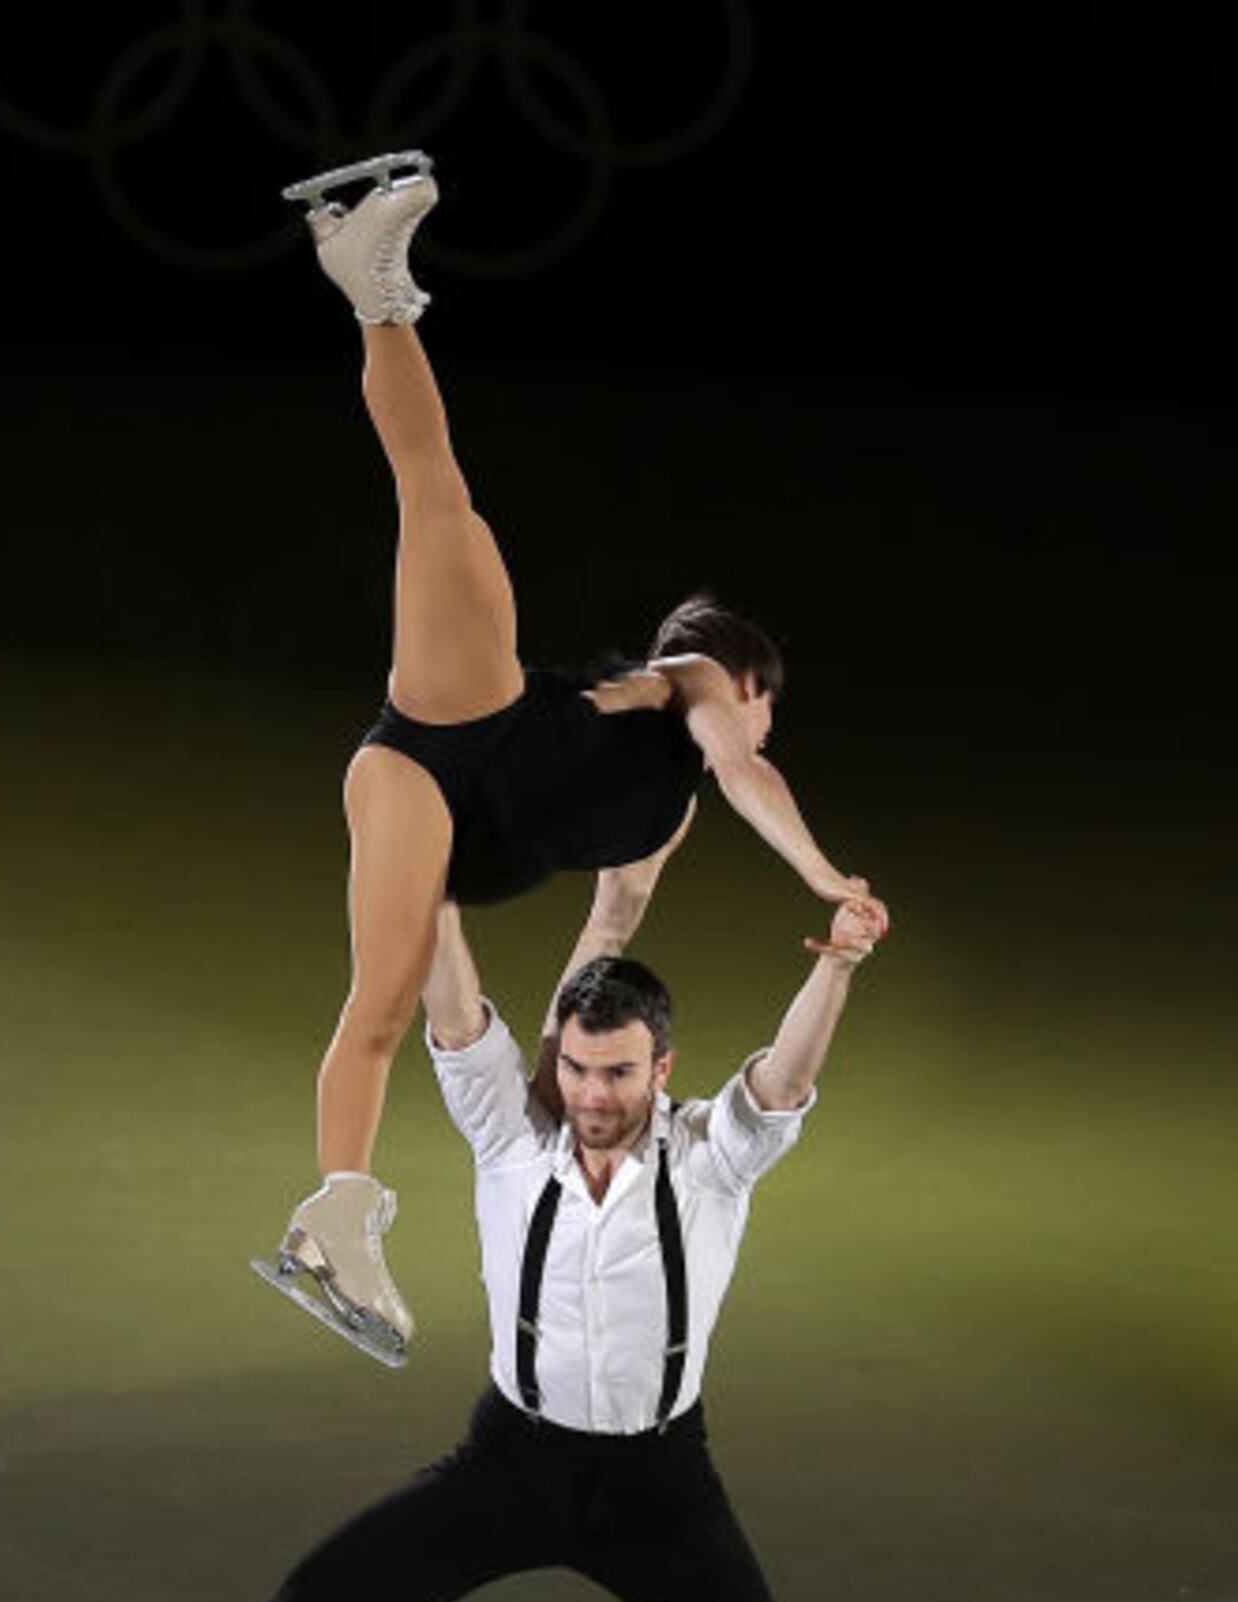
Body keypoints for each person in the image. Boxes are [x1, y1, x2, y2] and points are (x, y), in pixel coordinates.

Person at [167, 887, 1004, 1602]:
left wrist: (838, 967)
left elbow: (785, 1080)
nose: (592, 1094)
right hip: (510, 1467)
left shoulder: (710, 1156)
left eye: (617, 1072)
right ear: (555, 1059)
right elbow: (454, 1009)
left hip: (661, 1485)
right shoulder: (510, 1136)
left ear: (662, 1068)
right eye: (575, 1067)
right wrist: (430, 886)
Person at [257, 150, 881, 1367]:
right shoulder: (695, 686)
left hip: (443, 819)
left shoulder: (664, 820)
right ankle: (370, 285)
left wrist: (551, 1073)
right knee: (439, 503)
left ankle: (334, 1215)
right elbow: (748, 772)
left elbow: (604, 939)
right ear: (740, 679)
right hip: (457, 727)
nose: (763, 733)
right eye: (770, 710)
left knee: (383, 1007)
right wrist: (819, 873)